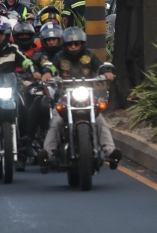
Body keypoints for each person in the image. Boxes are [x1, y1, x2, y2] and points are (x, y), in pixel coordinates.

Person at [38, 27, 120, 172]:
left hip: (87, 96)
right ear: (65, 45)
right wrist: (46, 73)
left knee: (100, 120)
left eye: (77, 43)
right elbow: (51, 66)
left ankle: (111, 152)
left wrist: (106, 72)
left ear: (82, 43)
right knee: (57, 121)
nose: (74, 46)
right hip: (65, 96)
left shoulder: (89, 56)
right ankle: (47, 154)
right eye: (70, 44)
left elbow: (99, 66)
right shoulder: (60, 56)